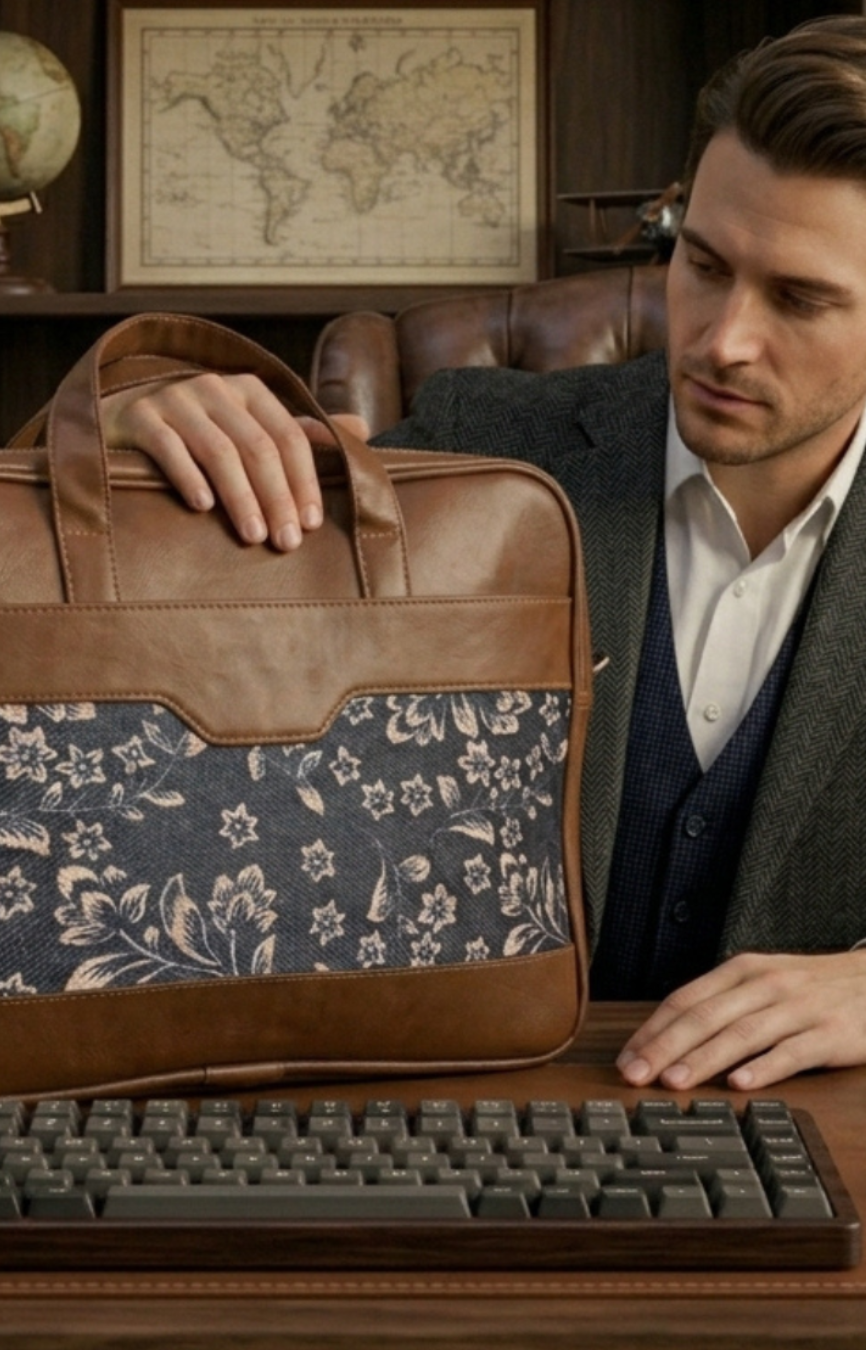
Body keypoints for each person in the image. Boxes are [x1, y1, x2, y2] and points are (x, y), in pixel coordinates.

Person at [100, 16, 866, 1093]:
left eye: (799, 299)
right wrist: (129, 433)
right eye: (702, 262)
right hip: (461, 1111)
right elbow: (135, 626)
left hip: (815, 1153)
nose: (722, 338)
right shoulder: (486, 444)